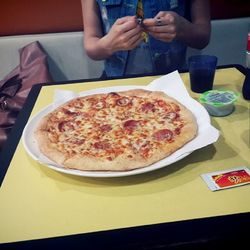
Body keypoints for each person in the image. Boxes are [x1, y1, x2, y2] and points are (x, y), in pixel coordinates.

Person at [81, 0, 211, 78]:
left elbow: (203, 38)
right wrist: (108, 44)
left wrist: (182, 28)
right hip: (115, 84)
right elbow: (91, 45)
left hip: (175, 82)